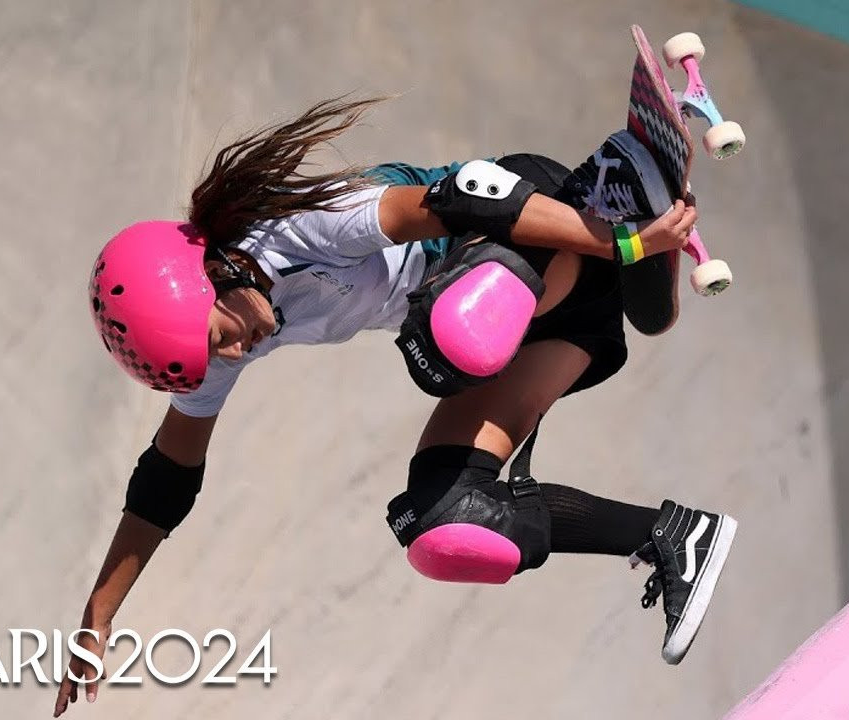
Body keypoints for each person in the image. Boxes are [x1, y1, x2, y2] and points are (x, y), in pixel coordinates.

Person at [55, 95, 737, 716]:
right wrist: (100, 611)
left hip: (525, 231)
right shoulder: (232, 325)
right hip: (551, 326)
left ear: (211, 275)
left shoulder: (296, 228)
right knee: (442, 518)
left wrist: (621, 241)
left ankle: (607, 191)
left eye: (218, 339)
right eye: (214, 359)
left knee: (443, 344)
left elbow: (468, 198)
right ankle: (674, 536)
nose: (234, 354)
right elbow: (167, 476)